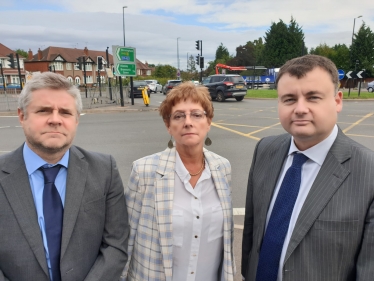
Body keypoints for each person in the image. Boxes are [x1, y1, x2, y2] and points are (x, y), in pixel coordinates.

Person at [241, 54, 374, 281]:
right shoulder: (265, 149)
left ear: (337, 101)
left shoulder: (368, 173)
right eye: (289, 99)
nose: (300, 109)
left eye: (313, 97)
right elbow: (253, 230)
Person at [0, 72, 129, 281]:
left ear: (76, 119)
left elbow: (116, 244)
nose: (55, 120)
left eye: (65, 112)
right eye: (43, 111)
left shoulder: (105, 170)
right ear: (22, 116)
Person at [122, 82, 236, 281]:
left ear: (208, 122)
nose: (188, 122)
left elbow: (226, 240)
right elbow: (126, 238)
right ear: (168, 126)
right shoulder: (144, 171)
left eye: (197, 114)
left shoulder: (222, 168)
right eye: (179, 116)